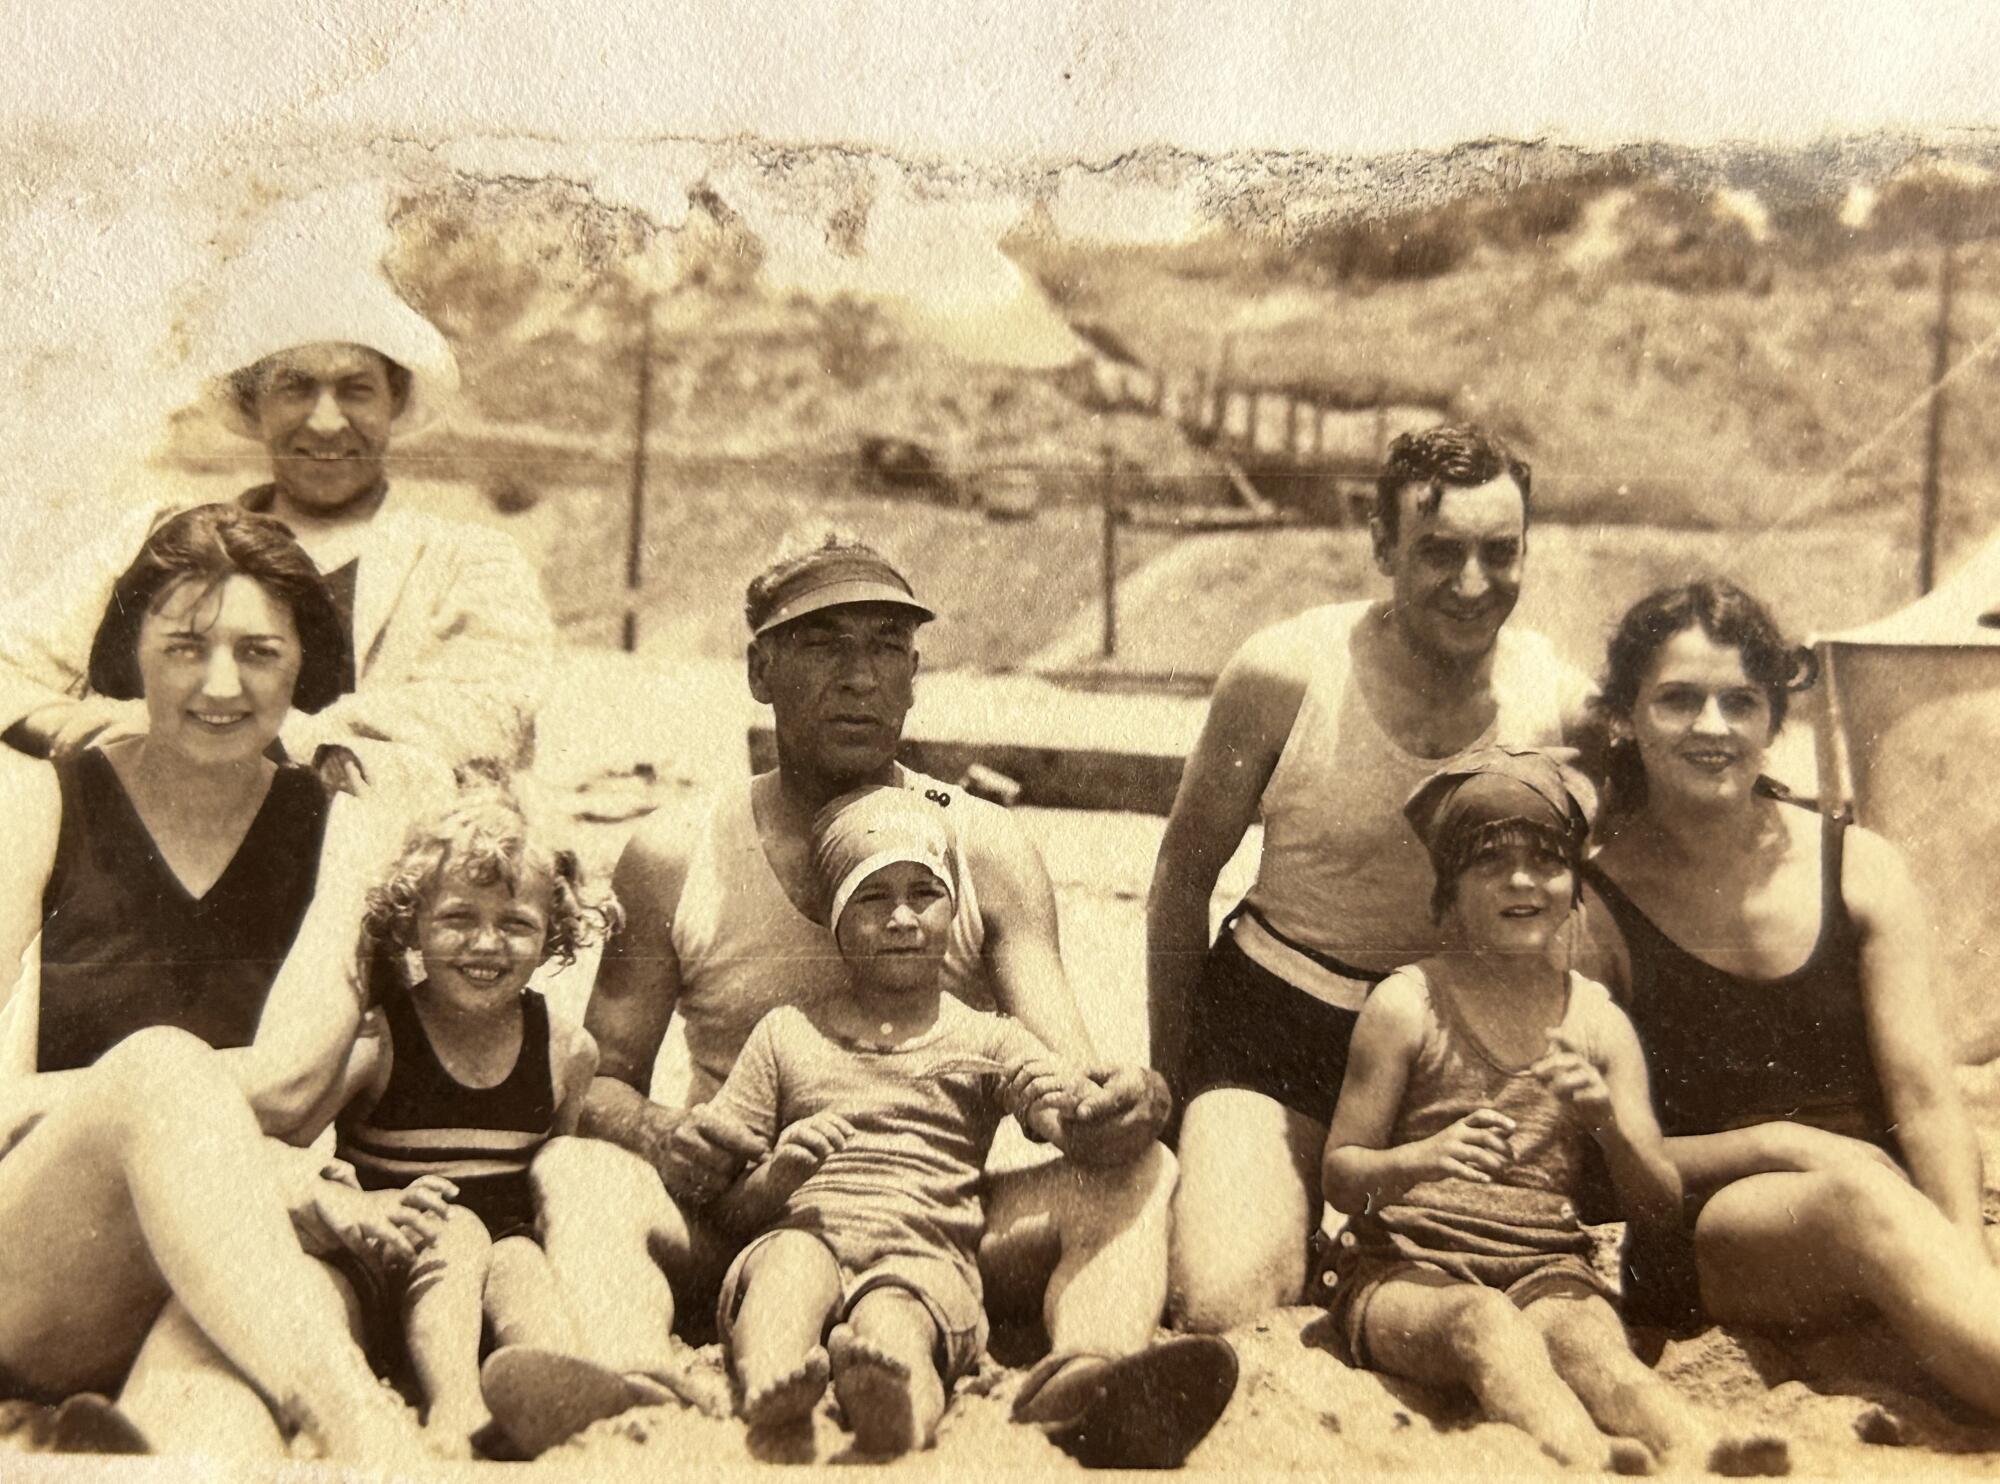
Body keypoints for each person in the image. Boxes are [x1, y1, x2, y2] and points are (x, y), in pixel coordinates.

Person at [534, 534, 1238, 1468]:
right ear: (760, 668)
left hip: (935, 1219)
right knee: (577, 1175)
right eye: (824, 644)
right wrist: (665, 1133)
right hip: (748, 1216)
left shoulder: (982, 846)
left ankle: (1090, 1378)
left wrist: (1124, 1102)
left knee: (1141, 1175)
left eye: (884, 649)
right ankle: (625, 1377)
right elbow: (595, 1085)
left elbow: (1071, 1077)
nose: (858, 678)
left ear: (915, 677)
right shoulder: (677, 853)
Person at [0, 504, 440, 1464]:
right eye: (186, 647)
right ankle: (364, 1429)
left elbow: (290, 1081)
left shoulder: (347, 831)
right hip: (49, 1258)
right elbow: (278, 1092)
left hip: (232, 1269)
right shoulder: (37, 803)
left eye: (260, 653)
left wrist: (143, 1125)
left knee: (216, 1416)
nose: (221, 685)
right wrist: (140, 1110)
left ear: (304, 666)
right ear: (132, 651)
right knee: (163, 1068)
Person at [1149, 423, 1593, 1333]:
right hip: (1280, 1020)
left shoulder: (1555, 699)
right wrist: (1174, 1079)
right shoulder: (1287, 672)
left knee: (1501, 1301)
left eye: (1499, 553)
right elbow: (1182, 874)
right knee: (1224, 1302)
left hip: (1448, 1050)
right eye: (1438, 552)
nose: (1473, 584)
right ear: (1384, 546)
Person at [1577, 578, 2000, 1417]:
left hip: (1890, 1214)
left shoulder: (1859, 865)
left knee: (1894, 1208)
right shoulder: (1594, 910)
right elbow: (1597, 1171)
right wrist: (1786, 1145)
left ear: (1775, 720)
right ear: (1625, 717)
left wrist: (1969, 1257)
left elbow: (1926, 1100)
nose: (1713, 727)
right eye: (1678, 701)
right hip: (1716, 1239)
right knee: (1858, 1200)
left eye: (1742, 701)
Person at [1324, 748, 1786, 1475]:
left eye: (1546, 860)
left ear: (1574, 887)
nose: (1520, 880)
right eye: (1488, 861)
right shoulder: (1407, 1005)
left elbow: (1658, 1200)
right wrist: (1422, 1159)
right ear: (1446, 891)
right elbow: (1343, 1177)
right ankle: (1582, 1455)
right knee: (1485, 1327)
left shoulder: (1597, 1022)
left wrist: (1607, 1124)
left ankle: (1695, 1446)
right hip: (1405, 1273)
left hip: (1548, 1269)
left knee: (1598, 1349)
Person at [679, 786, 1157, 1455]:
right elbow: (728, 1210)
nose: (902, 917)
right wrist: (782, 1172)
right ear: (834, 920)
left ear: (954, 907)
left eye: (924, 894)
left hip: (924, 1250)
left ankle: (902, 1409)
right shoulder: (785, 1034)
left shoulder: (988, 1039)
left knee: (901, 1322)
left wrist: (1060, 1096)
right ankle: (775, 1387)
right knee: (785, 1278)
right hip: (801, 1231)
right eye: (872, 899)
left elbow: (1075, 1126)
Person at [0, 260, 552, 793]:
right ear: (254, 400)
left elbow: (488, 709)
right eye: (295, 387)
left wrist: (230, 736)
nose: (326, 421)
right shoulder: (160, 535)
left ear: (396, 398)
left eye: (356, 389)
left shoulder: (466, 561)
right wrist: (78, 728)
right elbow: (12, 663)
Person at [322, 784, 618, 1456]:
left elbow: (553, 1178)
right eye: (458, 918)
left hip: (494, 1284)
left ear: (553, 936)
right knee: (454, 1230)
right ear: (413, 922)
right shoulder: (382, 1040)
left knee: (521, 1260)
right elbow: (313, 1153)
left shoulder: (565, 1051)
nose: (486, 944)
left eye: (515, 924)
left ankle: (550, 1384)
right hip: (391, 1262)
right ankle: (452, 1404)